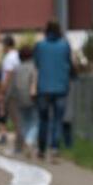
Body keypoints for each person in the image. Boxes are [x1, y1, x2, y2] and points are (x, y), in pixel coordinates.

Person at [34, 19, 72, 159]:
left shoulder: (40, 46)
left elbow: (37, 64)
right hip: (61, 88)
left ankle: (41, 149)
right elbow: (69, 63)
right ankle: (54, 147)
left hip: (43, 88)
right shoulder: (65, 46)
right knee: (57, 119)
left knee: (43, 119)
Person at [4, 46, 38, 156]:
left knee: (22, 122)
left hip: (19, 99)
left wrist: (6, 100)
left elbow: (11, 87)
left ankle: (23, 143)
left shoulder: (16, 69)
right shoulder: (35, 67)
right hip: (32, 98)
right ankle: (29, 141)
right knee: (34, 121)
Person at [0, 35, 19, 146]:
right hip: (17, 88)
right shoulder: (17, 55)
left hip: (8, 90)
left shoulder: (9, 58)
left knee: (1, 112)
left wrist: (1, 92)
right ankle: (18, 137)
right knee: (15, 115)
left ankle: (4, 136)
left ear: (6, 45)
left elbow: (7, 76)